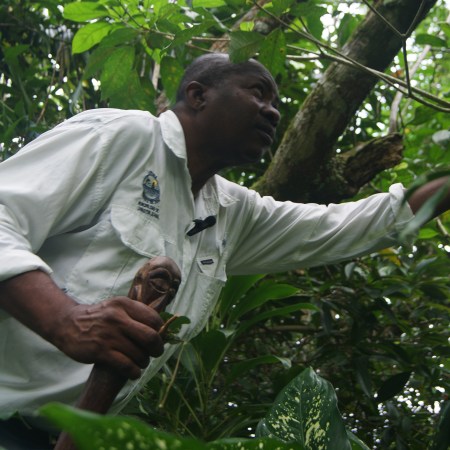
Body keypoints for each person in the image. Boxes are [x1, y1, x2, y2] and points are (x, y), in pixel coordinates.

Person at [0, 53, 448, 449]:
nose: (273, 111)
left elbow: (351, 224)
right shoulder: (126, 137)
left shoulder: (231, 212)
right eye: (258, 93)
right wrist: (64, 319)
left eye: (276, 103)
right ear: (198, 95)